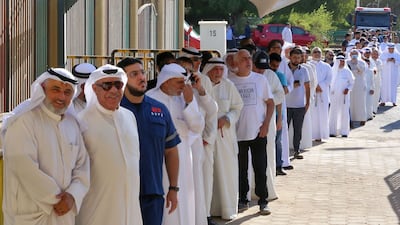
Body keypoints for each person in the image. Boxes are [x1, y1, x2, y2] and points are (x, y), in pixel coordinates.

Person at [1, 68, 90, 225]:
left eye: (67, 92)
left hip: (64, 214)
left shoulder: (73, 124)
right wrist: (54, 198)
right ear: (42, 89)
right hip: (29, 214)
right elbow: (22, 164)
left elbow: (82, 166)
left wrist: (72, 195)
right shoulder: (24, 120)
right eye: (55, 89)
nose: (61, 97)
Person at [76, 64, 142, 225]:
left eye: (118, 85)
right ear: (94, 88)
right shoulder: (81, 121)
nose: (113, 91)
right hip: (96, 211)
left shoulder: (129, 116)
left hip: (130, 209)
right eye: (106, 86)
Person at [117, 58, 180, 225]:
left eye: (142, 72)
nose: (142, 77)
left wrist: (173, 188)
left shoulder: (159, 110)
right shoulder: (114, 111)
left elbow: (171, 151)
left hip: (153, 194)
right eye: (134, 74)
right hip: (121, 195)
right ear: (123, 80)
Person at [147, 63, 204, 225]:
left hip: (184, 156)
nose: (183, 86)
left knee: (185, 199)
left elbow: (198, 126)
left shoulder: (186, 98)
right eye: (179, 82)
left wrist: (189, 103)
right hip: (159, 158)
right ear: (165, 82)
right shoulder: (150, 98)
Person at [229, 49, 274, 215]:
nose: (248, 61)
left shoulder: (260, 80)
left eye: (249, 58)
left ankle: (263, 200)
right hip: (237, 133)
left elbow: (270, 103)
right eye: (243, 59)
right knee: (241, 169)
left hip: (258, 131)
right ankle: (243, 199)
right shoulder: (230, 81)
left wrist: (266, 125)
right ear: (235, 63)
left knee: (260, 167)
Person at [203, 58, 243, 221]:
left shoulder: (229, 86)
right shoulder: (202, 85)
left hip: (224, 134)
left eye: (221, 69)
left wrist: (227, 119)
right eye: (215, 69)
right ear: (209, 70)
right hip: (205, 135)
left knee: (225, 171)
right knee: (207, 173)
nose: (218, 73)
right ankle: (207, 210)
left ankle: (226, 209)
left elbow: (237, 107)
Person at [252, 50, 285, 200]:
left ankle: (266, 189)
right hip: (249, 121)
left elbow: (280, 94)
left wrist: (268, 99)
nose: (260, 71)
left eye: (262, 69)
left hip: (268, 119)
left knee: (267, 152)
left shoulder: (270, 76)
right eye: (257, 68)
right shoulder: (246, 75)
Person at [281, 48, 310, 159]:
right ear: (290, 57)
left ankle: (297, 150)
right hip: (286, 105)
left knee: (298, 129)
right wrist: (294, 84)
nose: (296, 59)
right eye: (294, 57)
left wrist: (307, 102)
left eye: (298, 57)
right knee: (284, 129)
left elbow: (307, 87)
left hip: (299, 105)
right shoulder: (284, 69)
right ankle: (283, 152)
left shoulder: (304, 70)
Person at [329, 54, 355, 137]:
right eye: (341, 61)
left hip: (344, 95)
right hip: (333, 95)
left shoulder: (347, 71)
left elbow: (352, 82)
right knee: (333, 112)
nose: (342, 63)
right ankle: (332, 131)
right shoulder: (332, 71)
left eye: (343, 61)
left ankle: (344, 132)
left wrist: (348, 88)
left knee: (344, 112)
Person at [310, 47, 332, 142]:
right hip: (311, 93)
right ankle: (312, 134)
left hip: (323, 93)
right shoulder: (308, 65)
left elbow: (329, 79)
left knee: (323, 113)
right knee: (313, 114)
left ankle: (322, 134)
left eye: (318, 52)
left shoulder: (326, 66)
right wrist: (315, 86)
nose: (317, 54)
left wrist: (320, 86)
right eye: (315, 52)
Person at [347, 49, 367, 126]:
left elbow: (362, 71)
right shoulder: (347, 62)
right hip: (351, 84)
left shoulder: (362, 62)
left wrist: (356, 63)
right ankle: (351, 118)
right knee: (351, 102)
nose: (354, 55)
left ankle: (362, 118)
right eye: (352, 53)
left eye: (355, 53)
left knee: (360, 101)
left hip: (359, 83)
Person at [361, 48, 376, 120]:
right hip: (362, 88)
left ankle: (369, 115)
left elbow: (372, 81)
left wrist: (372, 88)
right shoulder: (362, 71)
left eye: (368, 63)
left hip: (369, 88)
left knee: (369, 102)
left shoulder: (370, 71)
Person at [371, 47, 382, 113]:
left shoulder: (379, 61)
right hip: (370, 80)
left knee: (376, 94)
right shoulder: (369, 61)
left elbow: (379, 68)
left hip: (377, 80)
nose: (375, 55)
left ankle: (374, 109)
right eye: (374, 53)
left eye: (376, 54)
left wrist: (374, 70)